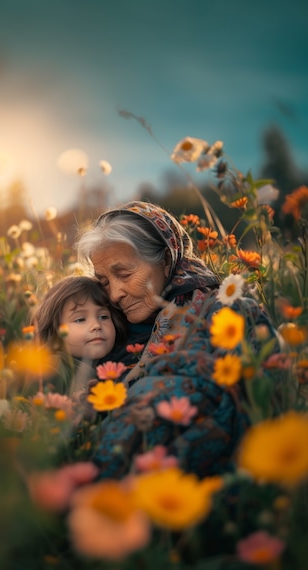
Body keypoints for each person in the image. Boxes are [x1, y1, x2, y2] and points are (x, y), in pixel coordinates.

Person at [75, 201, 280, 479]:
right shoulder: (108, 326)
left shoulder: (224, 311)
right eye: (105, 282)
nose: (115, 294)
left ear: (166, 260)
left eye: (124, 274)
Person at [32, 275, 127, 395]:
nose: (96, 325)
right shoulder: (52, 368)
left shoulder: (118, 363)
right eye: (80, 319)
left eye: (103, 317)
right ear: (55, 330)